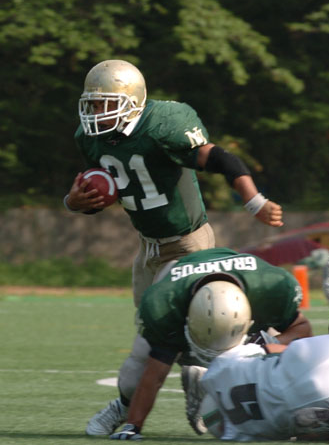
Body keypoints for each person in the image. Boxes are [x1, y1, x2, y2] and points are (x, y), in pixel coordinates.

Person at [64, 59, 284, 436]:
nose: (96, 112)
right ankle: (195, 379)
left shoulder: (164, 123)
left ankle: (129, 407)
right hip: (148, 249)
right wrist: (73, 202)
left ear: (132, 102)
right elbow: (104, 192)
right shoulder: (91, 138)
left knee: (152, 342)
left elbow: (219, 158)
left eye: (105, 103)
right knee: (158, 329)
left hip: (187, 245)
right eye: (93, 103)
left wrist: (253, 200)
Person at [110, 249, 329, 442]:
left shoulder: (217, 378)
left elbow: (158, 376)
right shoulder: (267, 288)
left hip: (289, 402)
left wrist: (133, 426)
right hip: (305, 379)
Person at [101, 246, 313, 440]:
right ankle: (121, 407)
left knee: (277, 360)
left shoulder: (271, 287)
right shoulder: (165, 304)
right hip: (178, 282)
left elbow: (302, 330)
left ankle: (294, 412)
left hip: (249, 298)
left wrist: (268, 344)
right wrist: (133, 425)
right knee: (133, 375)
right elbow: (155, 373)